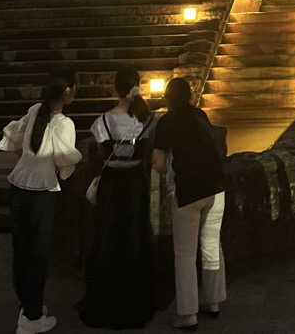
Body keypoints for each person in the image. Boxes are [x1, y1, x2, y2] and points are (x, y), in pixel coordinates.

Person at [0, 73, 81, 333]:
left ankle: (28, 305)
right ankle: (32, 317)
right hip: (42, 190)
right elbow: (64, 159)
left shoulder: (36, 110)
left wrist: (28, 157)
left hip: (19, 185)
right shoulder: (64, 123)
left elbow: (15, 139)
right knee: (38, 253)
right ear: (67, 92)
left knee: (22, 249)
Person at [78, 68, 156, 330]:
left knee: (108, 237)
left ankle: (106, 297)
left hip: (112, 182)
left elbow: (101, 152)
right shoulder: (147, 118)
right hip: (135, 182)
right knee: (133, 236)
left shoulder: (103, 120)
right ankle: (134, 299)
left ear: (116, 88)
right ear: (137, 87)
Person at [153, 79, 226, 331]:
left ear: (167, 98)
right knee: (211, 244)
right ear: (190, 96)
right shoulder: (199, 115)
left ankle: (187, 314)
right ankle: (214, 300)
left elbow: (159, 164)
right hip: (216, 187)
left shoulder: (166, 122)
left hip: (189, 190)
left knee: (184, 253)